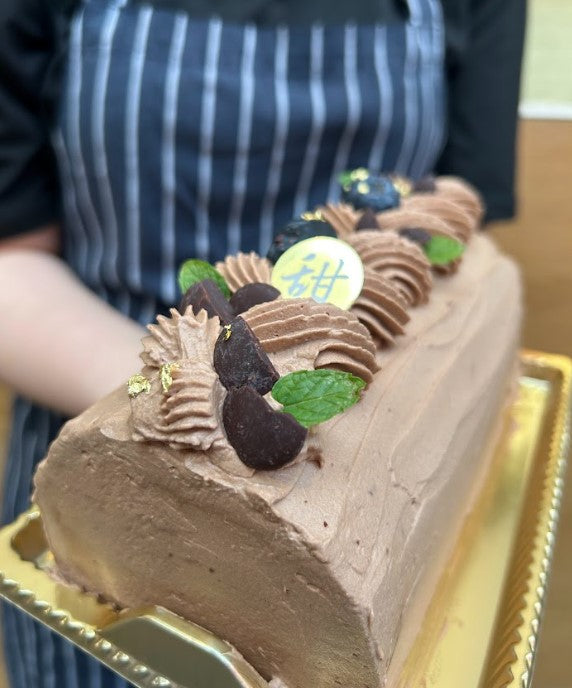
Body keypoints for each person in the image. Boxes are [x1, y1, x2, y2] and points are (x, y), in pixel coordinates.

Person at [0, 0, 525, 685]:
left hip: (360, 406)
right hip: (96, 423)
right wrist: (177, 412)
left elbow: (451, 245)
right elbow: (12, 256)